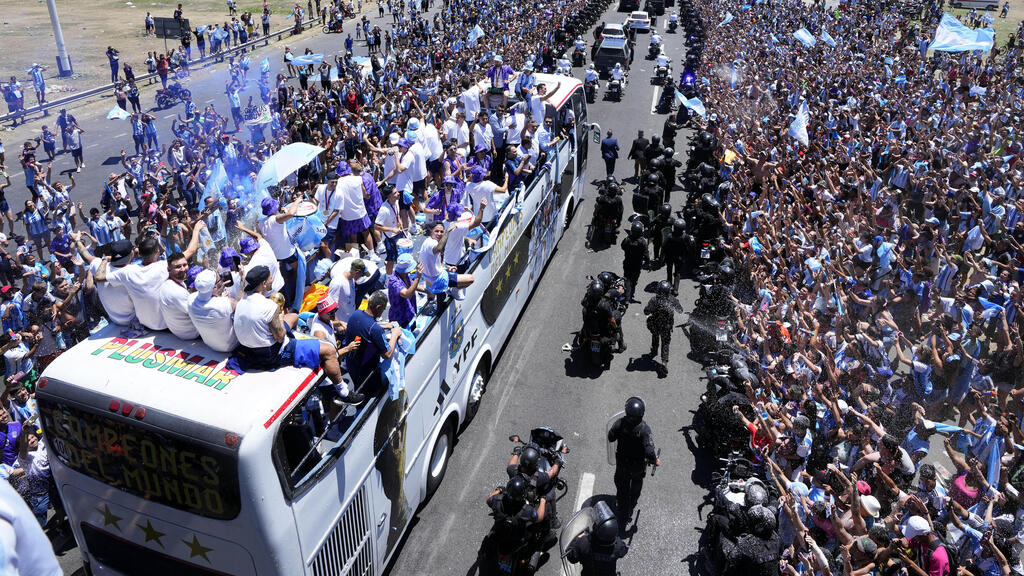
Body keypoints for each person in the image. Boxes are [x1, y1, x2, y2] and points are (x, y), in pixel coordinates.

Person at [234, 265, 364, 404]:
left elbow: (243, 293)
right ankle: (344, 393)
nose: (273, 280)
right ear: (263, 283)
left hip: (249, 349)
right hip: (272, 353)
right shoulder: (268, 306)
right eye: (270, 278)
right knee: (330, 350)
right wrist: (280, 317)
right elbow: (279, 336)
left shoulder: (241, 300)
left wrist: (243, 280)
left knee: (294, 316)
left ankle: (295, 337)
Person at [94, 224, 204, 332]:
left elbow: (98, 277)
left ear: (139, 254)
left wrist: (105, 259)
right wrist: (196, 230)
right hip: (165, 325)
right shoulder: (162, 266)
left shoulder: (127, 271)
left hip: (145, 324)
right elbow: (191, 250)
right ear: (157, 252)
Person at [341, 290, 401, 398]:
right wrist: (395, 335)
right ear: (378, 307)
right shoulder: (375, 329)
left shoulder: (356, 314)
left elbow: (364, 327)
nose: (383, 311)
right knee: (368, 396)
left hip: (352, 364)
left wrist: (384, 326)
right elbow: (387, 354)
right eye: (383, 309)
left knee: (358, 388)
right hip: (366, 373)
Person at [607, 396, 659, 520]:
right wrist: (655, 460)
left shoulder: (620, 423)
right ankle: (631, 505)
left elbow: (611, 437)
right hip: (637, 467)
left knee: (621, 486)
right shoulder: (645, 430)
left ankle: (621, 505)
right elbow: (650, 451)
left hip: (622, 464)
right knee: (636, 486)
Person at [187, 269, 238, 352]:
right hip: (231, 345)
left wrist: (219, 297)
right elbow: (242, 309)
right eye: (220, 279)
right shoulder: (225, 303)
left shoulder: (190, 299)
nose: (222, 279)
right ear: (214, 287)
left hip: (209, 344)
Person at [564, 513, 629, 576]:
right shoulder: (618, 546)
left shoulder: (584, 543)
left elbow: (571, 558)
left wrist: (578, 537)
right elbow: (624, 550)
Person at [644, 280, 682, 373]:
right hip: (667, 326)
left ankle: (654, 350)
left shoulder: (654, 300)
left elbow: (646, 311)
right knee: (665, 343)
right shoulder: (672, 299)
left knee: (655, 336)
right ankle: (664, 361)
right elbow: (680, 310)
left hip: (655, 324)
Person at [620, 220, 648, 302]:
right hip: (637, 264)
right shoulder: (642, 242)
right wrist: (648, 263)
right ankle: (632, 288)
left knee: (627, 278)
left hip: (627, 262)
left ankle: (627, 296)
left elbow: (622, 246)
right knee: (634, 278)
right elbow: (646, 254)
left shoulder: (627, 240)